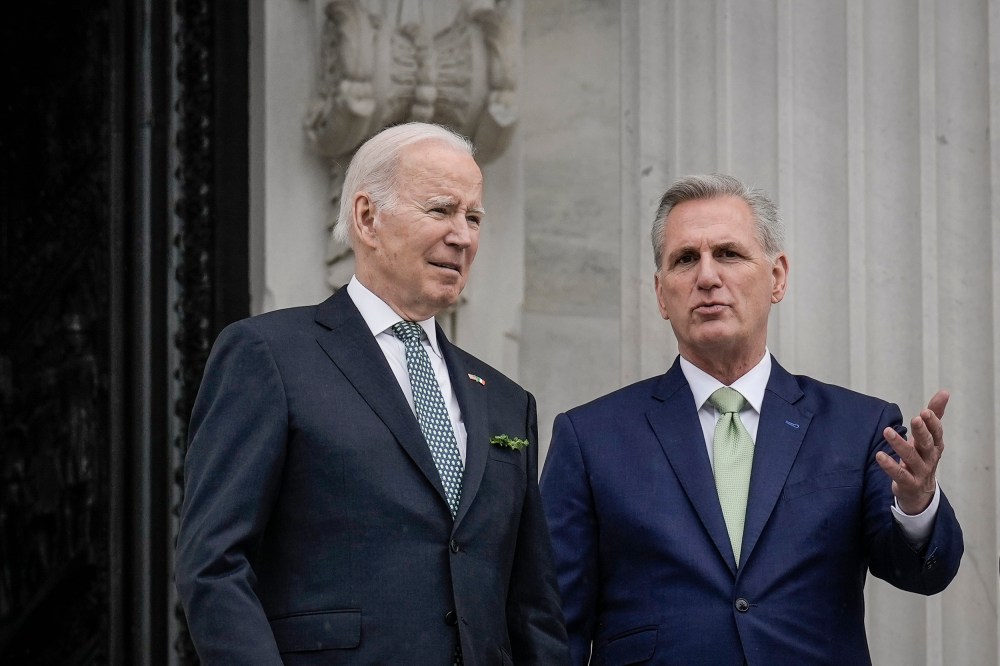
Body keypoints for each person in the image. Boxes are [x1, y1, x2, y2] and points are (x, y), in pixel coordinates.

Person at [176, 122, 569, 664]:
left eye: (473, 217)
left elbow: (533, 607)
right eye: (441, 210)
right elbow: (214, 564)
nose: (464, 236)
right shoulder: (269, 355)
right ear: (367, 218)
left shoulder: (505, 400)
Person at [539, 173, 963, 665]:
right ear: (660, 294)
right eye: (684, 260)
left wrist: (916, 505)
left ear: (777, 277)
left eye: (728, 254)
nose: (706, 277)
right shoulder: (591, 438)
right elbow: (554, 624)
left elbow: (923, 574)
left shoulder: (859, 427)